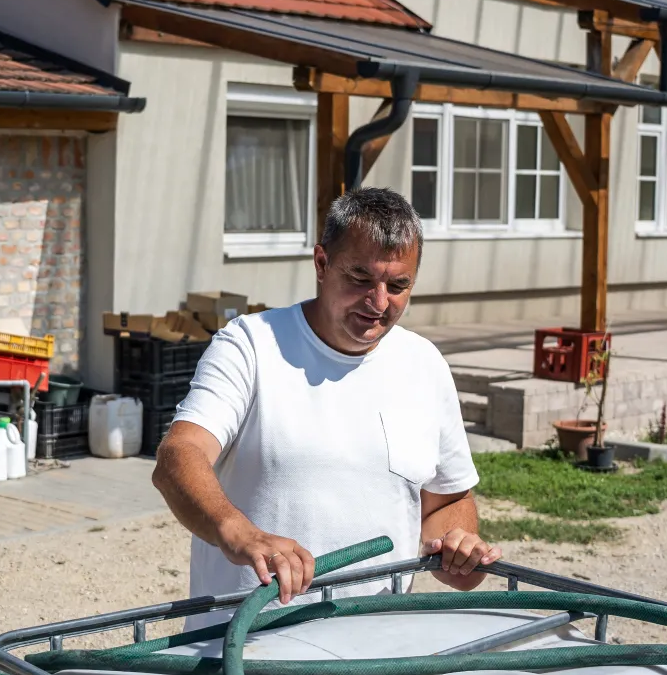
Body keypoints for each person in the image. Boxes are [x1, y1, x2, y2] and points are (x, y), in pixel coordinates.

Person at [152, 187, 498, 603]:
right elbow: (179, 455)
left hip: (375, 648)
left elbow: (447, 499)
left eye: (399, 285)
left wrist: (458, 548)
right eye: (360, 278)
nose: (379, 301)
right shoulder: (251, 345)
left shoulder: (423, 363)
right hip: (249, 649)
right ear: (321, 263)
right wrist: (237, 530)